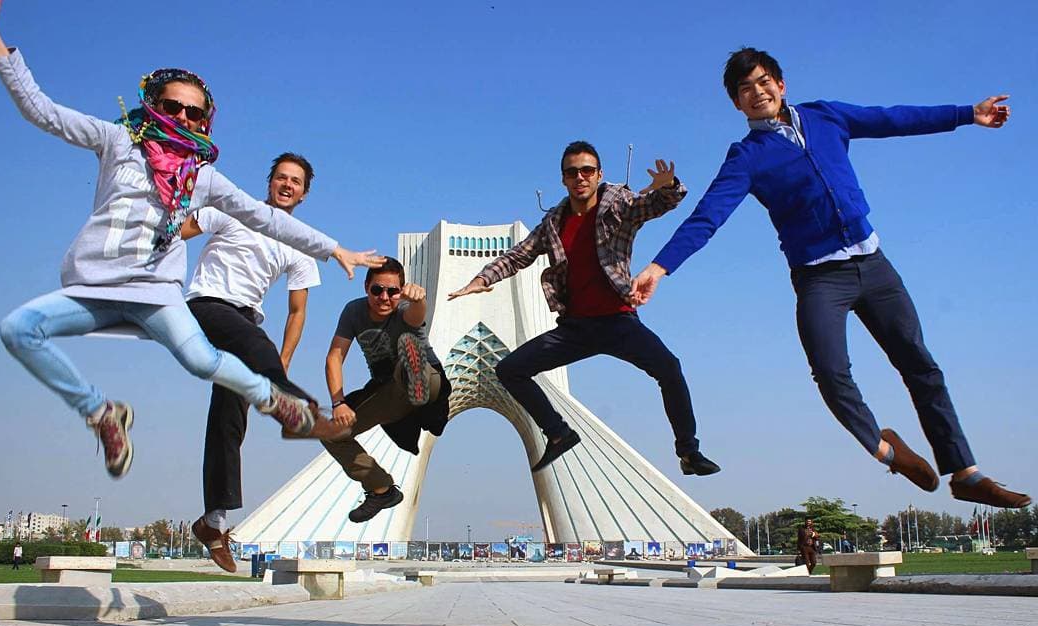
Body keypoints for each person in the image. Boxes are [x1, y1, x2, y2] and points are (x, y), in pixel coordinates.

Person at [0, 0, 379, 481]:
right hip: (98, 286)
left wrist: (332, 248)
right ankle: (102, 414)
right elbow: (41, 111)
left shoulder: (203, 179)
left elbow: (269, 220)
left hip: (156, 294)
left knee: (202, 360)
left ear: (204, 122)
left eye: (192, 112)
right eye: (171, 106)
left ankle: (279, 404)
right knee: (18, 329)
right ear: (152, 106)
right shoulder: (118, 142)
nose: (181, 116)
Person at [632, 48, 1030, 510]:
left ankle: (965, 473)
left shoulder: (827, 116)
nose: (757, 93)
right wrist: (660, 266)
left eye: (763, 82)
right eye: (745, 89)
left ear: (780, 85)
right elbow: (708, 217)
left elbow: (893, 119)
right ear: (737, 104)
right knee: (830, 372)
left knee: (921, 364)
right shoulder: (747, 157)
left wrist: (967, 114)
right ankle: (887, 450)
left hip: (875, 265)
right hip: (821, 279)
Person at [449, 141, 720, 475]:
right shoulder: (553, 223)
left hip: (619, 322)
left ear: (599, 174)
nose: (580, 177)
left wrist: (670, 188)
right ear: (563, 178)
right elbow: (519, 255)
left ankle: (689, 452)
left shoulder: (616, 206)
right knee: (510, 370)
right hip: (576, 328)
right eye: (572, 172)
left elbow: (650, 206)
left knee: (669, 369)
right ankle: (559, 433)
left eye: (587, 170)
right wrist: (481, 279)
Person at [181, 153, 328, 572]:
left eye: (295, 181)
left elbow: (298, 311)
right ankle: (295, 406)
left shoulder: (299, 243)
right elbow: (179, 233)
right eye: (281, 177)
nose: (287, 185)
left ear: (304, 192)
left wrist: (278, 362)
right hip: (207, 306)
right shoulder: (233, 207)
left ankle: (214, 521)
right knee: (251, 345)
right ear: (269, 182)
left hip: (246, 322)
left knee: (229, 417)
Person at [321, 258, 451, 523]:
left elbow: (415, 316)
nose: (384, 297)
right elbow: (335, 356)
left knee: (409, 351)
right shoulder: (353, 312)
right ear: (366, 287)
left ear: (401, 291)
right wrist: (338, 403)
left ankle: (416, 384)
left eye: (392, 291)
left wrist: (419, 301)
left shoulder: (406, 307)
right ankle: (381, 489)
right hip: (389, 393)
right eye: (377, 290)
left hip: (427, 379)